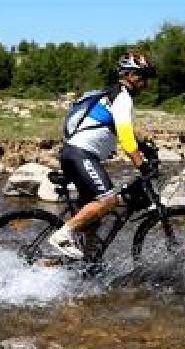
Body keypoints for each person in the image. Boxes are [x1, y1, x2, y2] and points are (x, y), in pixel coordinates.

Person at [47, 51, 156, 259]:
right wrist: (141, 164)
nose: (146, 83)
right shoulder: (122, 97)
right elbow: (124, 135)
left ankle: (87, 264)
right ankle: (63, 234)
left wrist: (145, 146)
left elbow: (119, 128)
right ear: (131, 75)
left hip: (77, 154)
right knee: (109, 200)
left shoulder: (111, 95)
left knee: (93, 219)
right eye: (144, 77)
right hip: (81, 154)